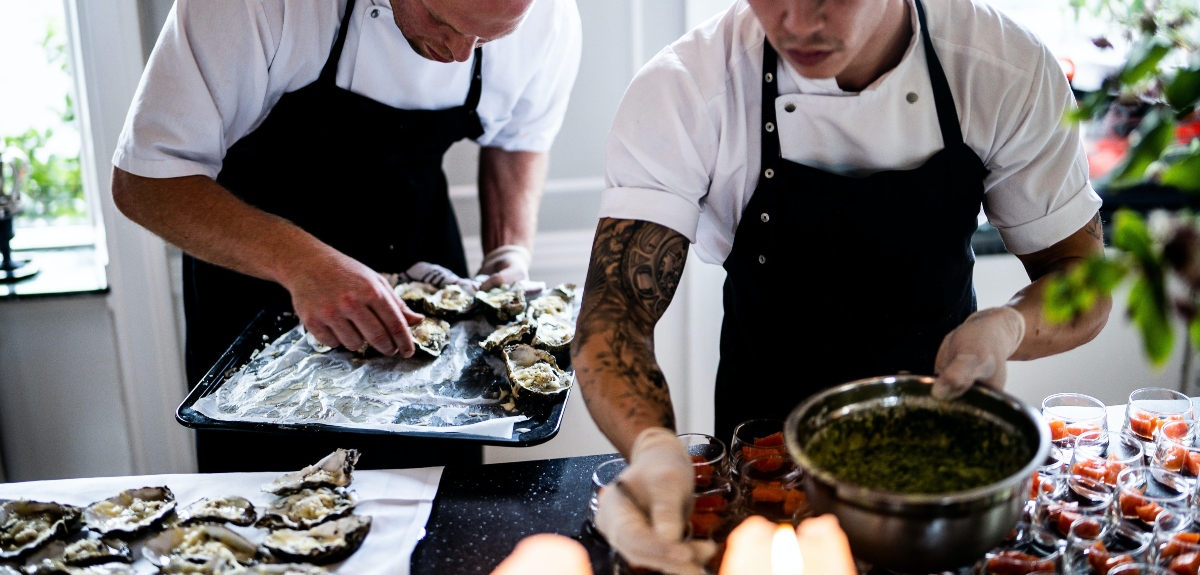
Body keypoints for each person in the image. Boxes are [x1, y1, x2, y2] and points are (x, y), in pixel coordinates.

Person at [573, 0, 1111, 572]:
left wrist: (1006, 327)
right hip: (764, 465)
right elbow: (616, 314)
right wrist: (654, 451)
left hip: (938, 468)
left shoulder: (1003, 67)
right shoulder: (688, 87)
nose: (799, 21)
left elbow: (1081, 278)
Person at [111, 0, 581, 471]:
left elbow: (517, 140)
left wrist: (509, 250)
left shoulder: (549, 20)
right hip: (259, 276)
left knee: (434, 490)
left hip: (421, 259)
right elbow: (145, 182)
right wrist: (301, 264)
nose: (460, 54)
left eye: (488, 40)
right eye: (442, 23)